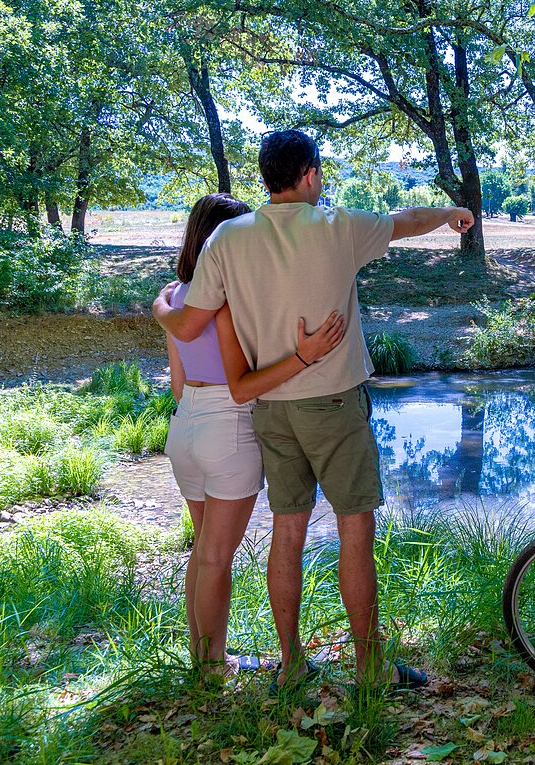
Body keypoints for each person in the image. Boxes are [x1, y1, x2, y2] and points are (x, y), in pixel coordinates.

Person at [153, 130, 473, 690]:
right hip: (332, 403)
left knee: (288, 531)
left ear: (266, 178)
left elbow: (188, 320)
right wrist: (453, 213)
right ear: (309, 174)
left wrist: (160, 305)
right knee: (355, 530)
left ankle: (292, 661)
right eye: (319, 174)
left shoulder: (226, 238)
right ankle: (371, 666)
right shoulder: (337, 225)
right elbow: (405, 220)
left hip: (270, 408)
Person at [164, 193, 347, 680]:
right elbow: (243, 386)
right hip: (229, 427)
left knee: (203, 551)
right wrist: (304, 357)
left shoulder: (176, 296)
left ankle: (205, 660)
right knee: (216, 557)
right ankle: (210, 671)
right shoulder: (225, 300)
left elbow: (178, 384)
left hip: (184, 426)